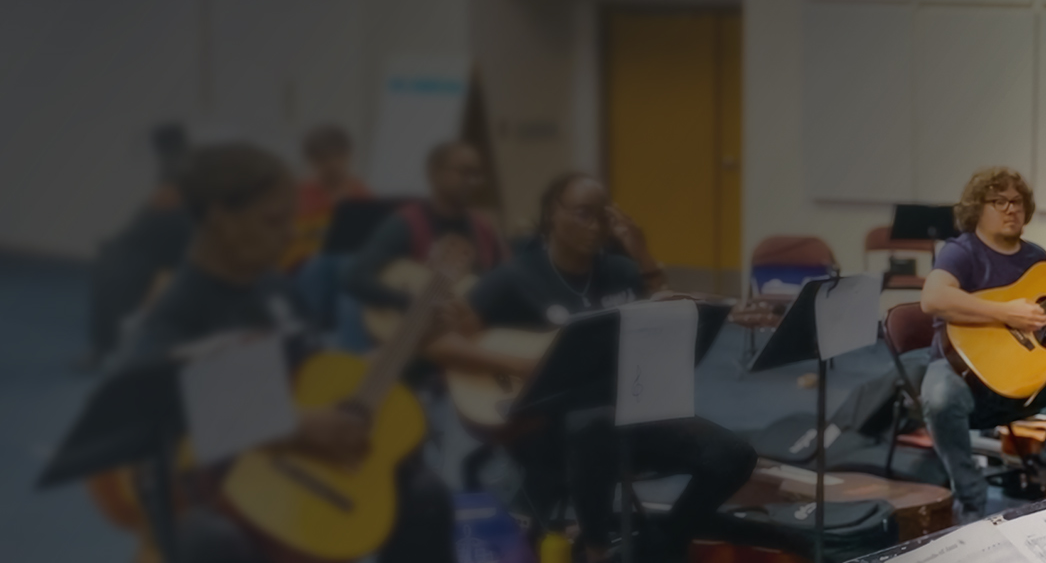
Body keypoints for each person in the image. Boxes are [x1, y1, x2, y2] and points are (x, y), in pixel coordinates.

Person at [112, 143, 453, 563]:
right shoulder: (178, 309)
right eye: (274, 221)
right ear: (222, 221)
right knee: (215, 543)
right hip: (216, 489)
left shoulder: (277, 291)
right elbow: (160, 415)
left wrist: (409, 341)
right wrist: (298, 426)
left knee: (426, 497)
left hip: (289, 467)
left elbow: (318, 378)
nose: (292, 234)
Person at [427, 172, 754, 562]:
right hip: (547, 430)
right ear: (553, 212)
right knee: (595, 423)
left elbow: (662, 314)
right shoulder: (515, 278)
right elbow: (441, 344)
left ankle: (664, 540)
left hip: (628, 417)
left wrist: (642, 253)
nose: (595, 226)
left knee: (733, 456)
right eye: (583, 213)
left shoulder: (620, 271)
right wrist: (526, 363)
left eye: (602, 216)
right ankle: (596, 548)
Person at [918, 167, 1046, 521]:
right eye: (999, 201)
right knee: (940, 398)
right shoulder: (961, 251)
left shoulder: (1036, 257)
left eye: (1017, 202)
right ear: (978, 207)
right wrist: (1005, 312)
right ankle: (971, 496)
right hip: (961, 369)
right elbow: (933, 298)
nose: (1011, 209)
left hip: (1023, 372)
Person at [343, 140, 505, 323]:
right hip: (416, 329)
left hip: (471, 326)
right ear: (434, 173)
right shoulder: (405, 224)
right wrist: (408, 302)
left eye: (476, 174)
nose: (472, 181)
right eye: (465, 172)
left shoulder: (484, 228)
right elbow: (354, 277)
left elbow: (505, 283)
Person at [85, 124, 194, 367]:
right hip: (182, 241)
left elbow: (164, 202)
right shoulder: (185, 163)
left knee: (109, 265)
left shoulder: (177, 167)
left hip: (172, 236)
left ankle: (102, 349)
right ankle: (110, 346)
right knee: (115, 260)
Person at [282, 123, 371, 272]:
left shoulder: (361, 194)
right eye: (323, 159)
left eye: (339, 156)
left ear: (349, 155)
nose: (332, 164)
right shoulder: (297, 195)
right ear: (311, 160)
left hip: (346, 265)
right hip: (303, 266)